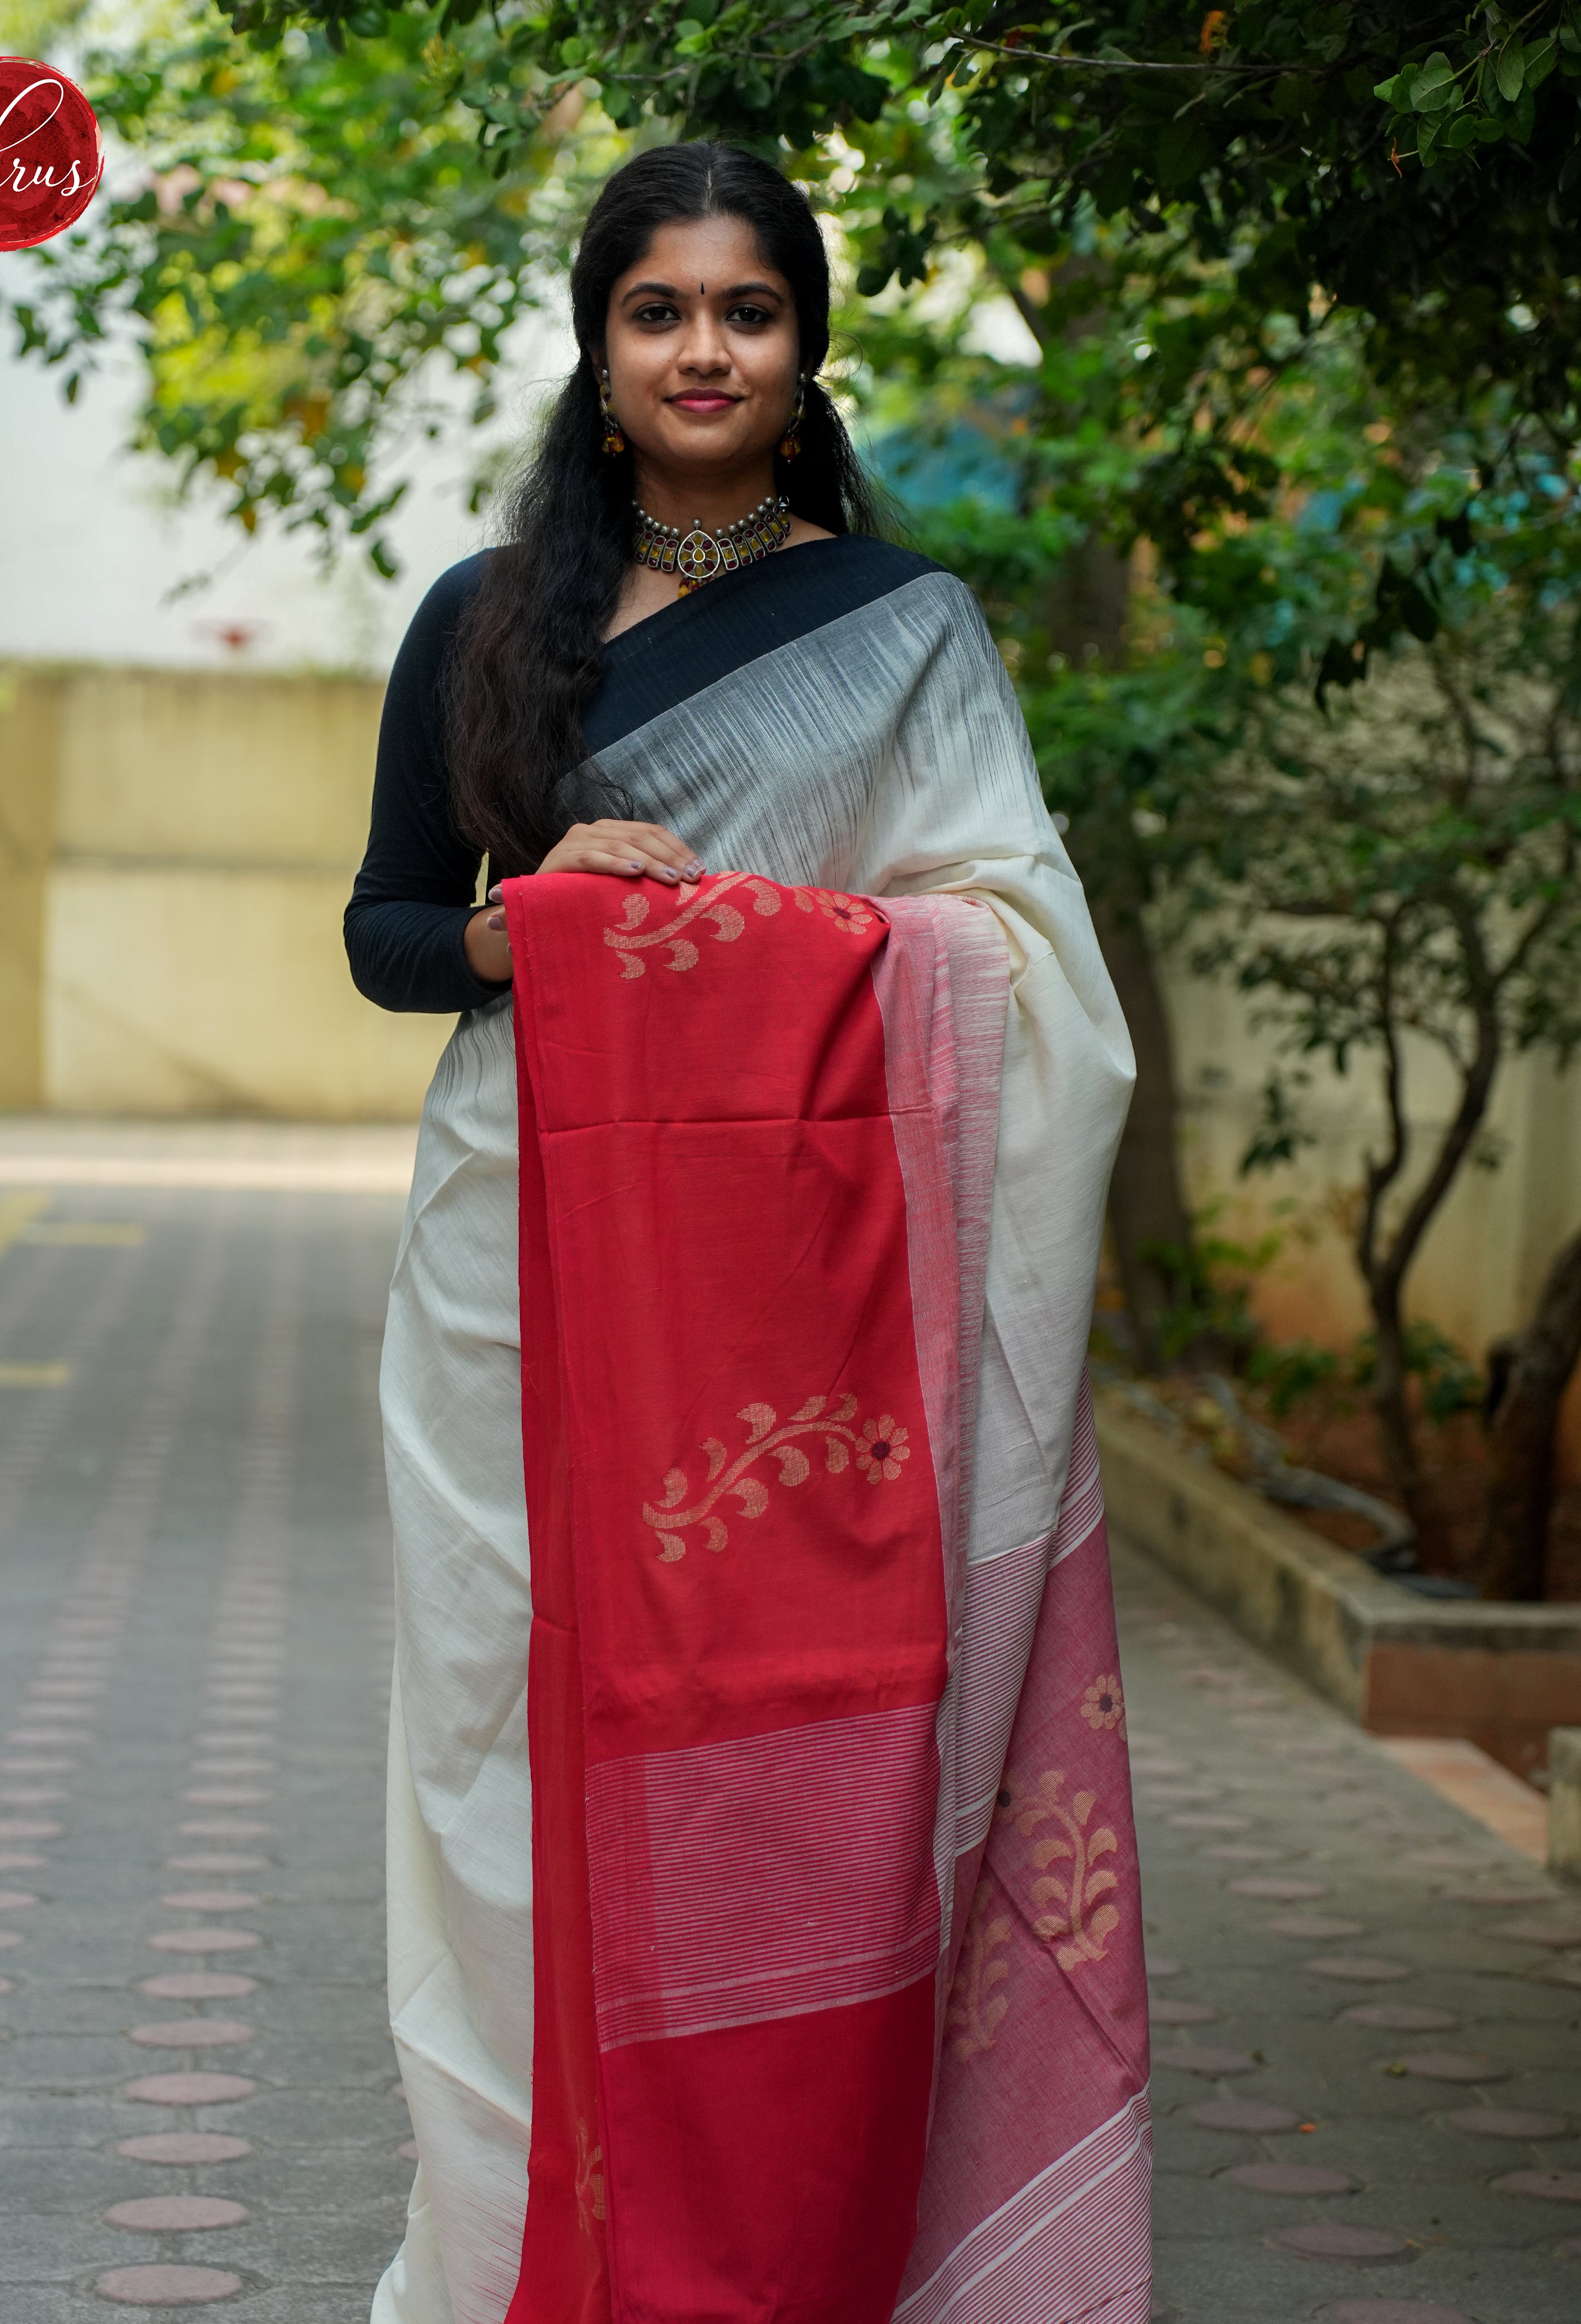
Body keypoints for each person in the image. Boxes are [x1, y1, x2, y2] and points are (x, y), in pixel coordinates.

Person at [347, 142, 1148, 2324]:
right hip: (518, 1283)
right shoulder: (480, 621)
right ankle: (526, 2236)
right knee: (506, 1774)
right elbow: (389, 935)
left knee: (821, 1766)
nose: (706, 349)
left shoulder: (902, 626)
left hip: (818, 1313)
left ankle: (784, 2243)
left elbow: (1020, 955)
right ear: (600, 355)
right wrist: (543, 936)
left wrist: (729, 938)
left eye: (749, 312)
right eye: (660, 313)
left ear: (805, 355)